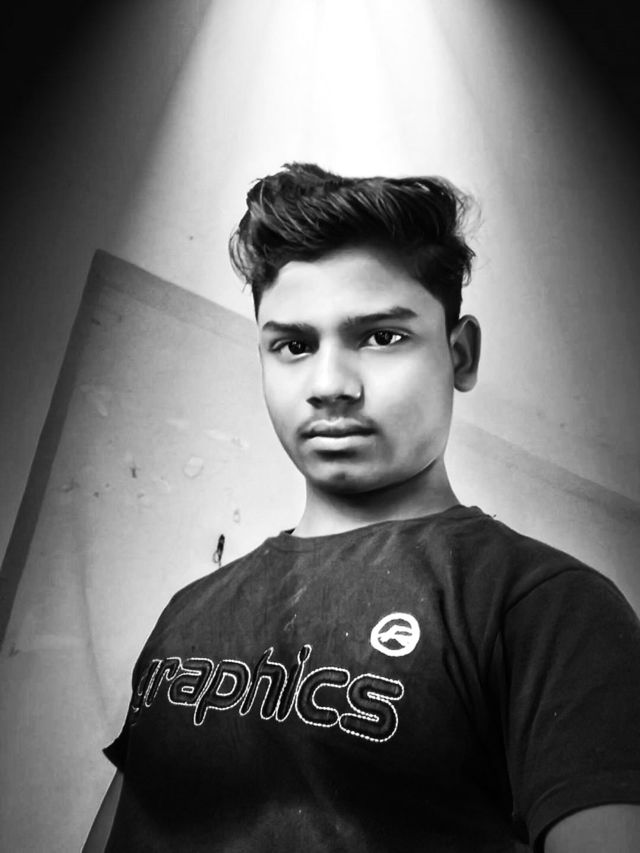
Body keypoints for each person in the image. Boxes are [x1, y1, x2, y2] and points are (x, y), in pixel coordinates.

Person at [84, 163, 640, 852]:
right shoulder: (187, 611)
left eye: (381, 336)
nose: (330, 384)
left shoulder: (546, 607)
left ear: (460, 354)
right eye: (293, 345)